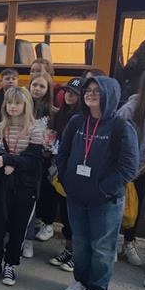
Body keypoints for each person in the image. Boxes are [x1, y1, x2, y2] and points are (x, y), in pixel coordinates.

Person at [58, 76, 139, 290]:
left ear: (110, 94)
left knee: (102, 246)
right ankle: (81, 281)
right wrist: (66, 180)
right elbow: (63, 153)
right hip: (76, 196)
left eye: (97, 90)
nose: (91, 94)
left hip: (105, 200)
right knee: (81, 243)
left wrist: (103, 189)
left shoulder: (121, 126)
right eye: (88, 90)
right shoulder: (76, 122)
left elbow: (129, 167)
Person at [0, 87, 44, 287]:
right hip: (1, 186)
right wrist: (1, 162)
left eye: (17, 103)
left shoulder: (34, 130)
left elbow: (34, 161)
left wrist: (10, 160)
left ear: (26, 105)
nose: (12, 107)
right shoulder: (0, 128)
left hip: (24, 187)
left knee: (18, 228)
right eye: (9, 103)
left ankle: (10, 264)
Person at [48, 77, 85, 273]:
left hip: (75, 171)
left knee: (76, 216)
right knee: (65, 213)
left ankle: (77, 254)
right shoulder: (63, 114)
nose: (69, 96)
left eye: (74, 94)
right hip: (61, 169)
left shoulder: (82, 118)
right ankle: (68, 249)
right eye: (67, 92)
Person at [116, 67, 145, 266]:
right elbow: (117, 129)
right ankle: (112, 242)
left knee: (136, 208)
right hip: (129, 166)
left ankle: (129, 242)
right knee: (119, 205)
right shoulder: (133, 105)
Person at [22, 72, 57, 258]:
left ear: (47, 90)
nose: (37, 89)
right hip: (20, 158)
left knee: (32, 201)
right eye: (34, 84)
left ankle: (28, 241)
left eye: (42, 86)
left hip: (40, 162)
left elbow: (54, 136)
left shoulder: (52, 112)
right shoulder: (21, 105)